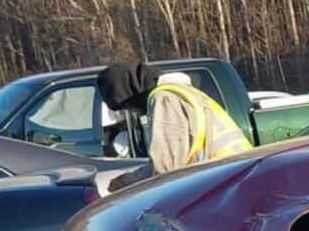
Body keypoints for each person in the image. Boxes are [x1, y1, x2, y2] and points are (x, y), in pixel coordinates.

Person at [98, 62, 252, 174]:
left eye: (128, 107)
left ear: (129, 94)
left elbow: (165, 169)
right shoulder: (184, 92)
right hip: (236, 170)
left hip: (223, 176)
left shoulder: (164, 99)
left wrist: (129, 184)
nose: (135, 112)